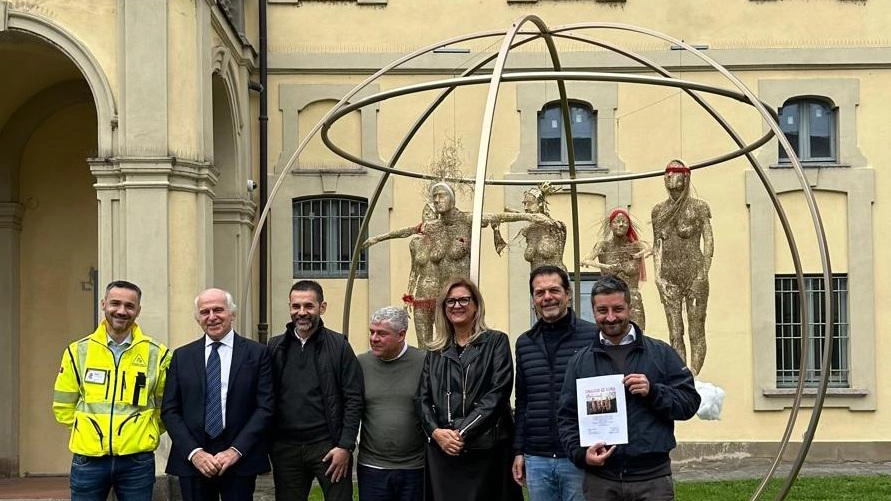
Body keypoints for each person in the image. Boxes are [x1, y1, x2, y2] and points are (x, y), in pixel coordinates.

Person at [557, 275, 700, 501]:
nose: (611, 317)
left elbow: (689, 403)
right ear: (593, 312)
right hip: (601, 480)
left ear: (630, 308)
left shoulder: (660, 353)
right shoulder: (580, 362)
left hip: (652, 479)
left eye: (618, 309)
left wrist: (654, 392)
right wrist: (581, 455)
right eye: (602, 310)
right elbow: (566, 418)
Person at [363, 181, 542, 348]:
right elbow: (406, 231)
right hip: (443, 301)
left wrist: (530, 216)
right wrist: (378, 238)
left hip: (464, 301)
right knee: (436, 345)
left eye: (442, 196)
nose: (437, 200)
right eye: (435, 197)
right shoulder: (433, 227)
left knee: (464, 342)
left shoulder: (467, 220)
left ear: (452, 198)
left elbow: (499, 216)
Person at [52, 280, 170, 501]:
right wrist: (85, 430)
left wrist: (149, 430)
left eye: (129, 306)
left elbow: (166, 406)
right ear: (103, 304)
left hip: (137, 460)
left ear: (138, 311)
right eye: (115, 303)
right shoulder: (78, 351)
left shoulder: (158, 353)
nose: (121, 311)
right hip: (89, 458)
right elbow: (63, 404)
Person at [161, 288, 273, 501]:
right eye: (205, 312)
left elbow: (265, 407)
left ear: (232, 314)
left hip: (239, 459)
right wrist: (195, 453)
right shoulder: (181, 357)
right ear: (198, 318)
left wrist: (235, 451)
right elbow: (170, 410)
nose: (212, 317)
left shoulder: (257, 354)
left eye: (218, 310)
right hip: (193, 461)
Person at [417, 277, 523, 501]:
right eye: (450, 301)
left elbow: (498, 393)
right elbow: (422, 398)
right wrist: (436, 433)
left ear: (476, 305)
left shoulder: (496, 342)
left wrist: (460, 433)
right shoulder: (435, 352)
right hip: (443, 453)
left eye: (464, 300)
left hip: (486, 450)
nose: (457, 306)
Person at [268, 280, 364, 501]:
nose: (302, 312)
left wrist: (345, 446)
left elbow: (353, 399)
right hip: (286, 449)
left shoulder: (339, 346)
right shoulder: (274, 348)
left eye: (309, 306)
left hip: (329, 447)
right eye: (296, 306)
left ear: (322, 307)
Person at [512, 265, 597, 501]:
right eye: (539, 293)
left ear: (567, 294)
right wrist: (519, 451)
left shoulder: (593, 337)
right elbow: (523, 401)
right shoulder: (524, 343)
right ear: (533, 299)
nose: (547, 297)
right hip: (536, 457)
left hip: (578, 455)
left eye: (554, 290)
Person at [356, 306, 426, 501]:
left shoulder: (424, 362)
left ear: (401, 334)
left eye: (382, 333)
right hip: (372, 467)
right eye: (372, 332)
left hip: (415, 468)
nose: (374, 338)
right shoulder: (360, 364)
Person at [651, 159, 714, 375]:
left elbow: (708, 240)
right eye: (667, 173)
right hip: (669, 276)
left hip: (694, 273)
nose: (669, 177)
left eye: (674, 172)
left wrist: (704, 271)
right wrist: (658, 278)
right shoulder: (659, 211)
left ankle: (694, 374)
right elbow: (656, 245)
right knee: (675, 332)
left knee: (696, 330)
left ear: (685, 177)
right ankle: (682, 376)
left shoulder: (699, 207)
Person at [582, 208, 652, 329]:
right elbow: (584, 261)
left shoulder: (635, 246)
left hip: (633, 300)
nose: (621, 224)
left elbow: (650, 248)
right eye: (617, 221)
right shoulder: (603, 246)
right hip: (610, 300)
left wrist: (639, 254)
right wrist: (605, 266)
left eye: (624, 222)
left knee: (638, 335)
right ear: (610, 225)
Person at [495, 184, 567, 271]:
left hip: (557, 279)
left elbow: (539, 218)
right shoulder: (528, 231)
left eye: (529, 204)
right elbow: (503, 250)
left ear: (540, 204)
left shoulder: (556, 226)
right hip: (537, 281)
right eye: (524, 204)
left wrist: (513, 215)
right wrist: (496, 230)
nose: (526, 208)